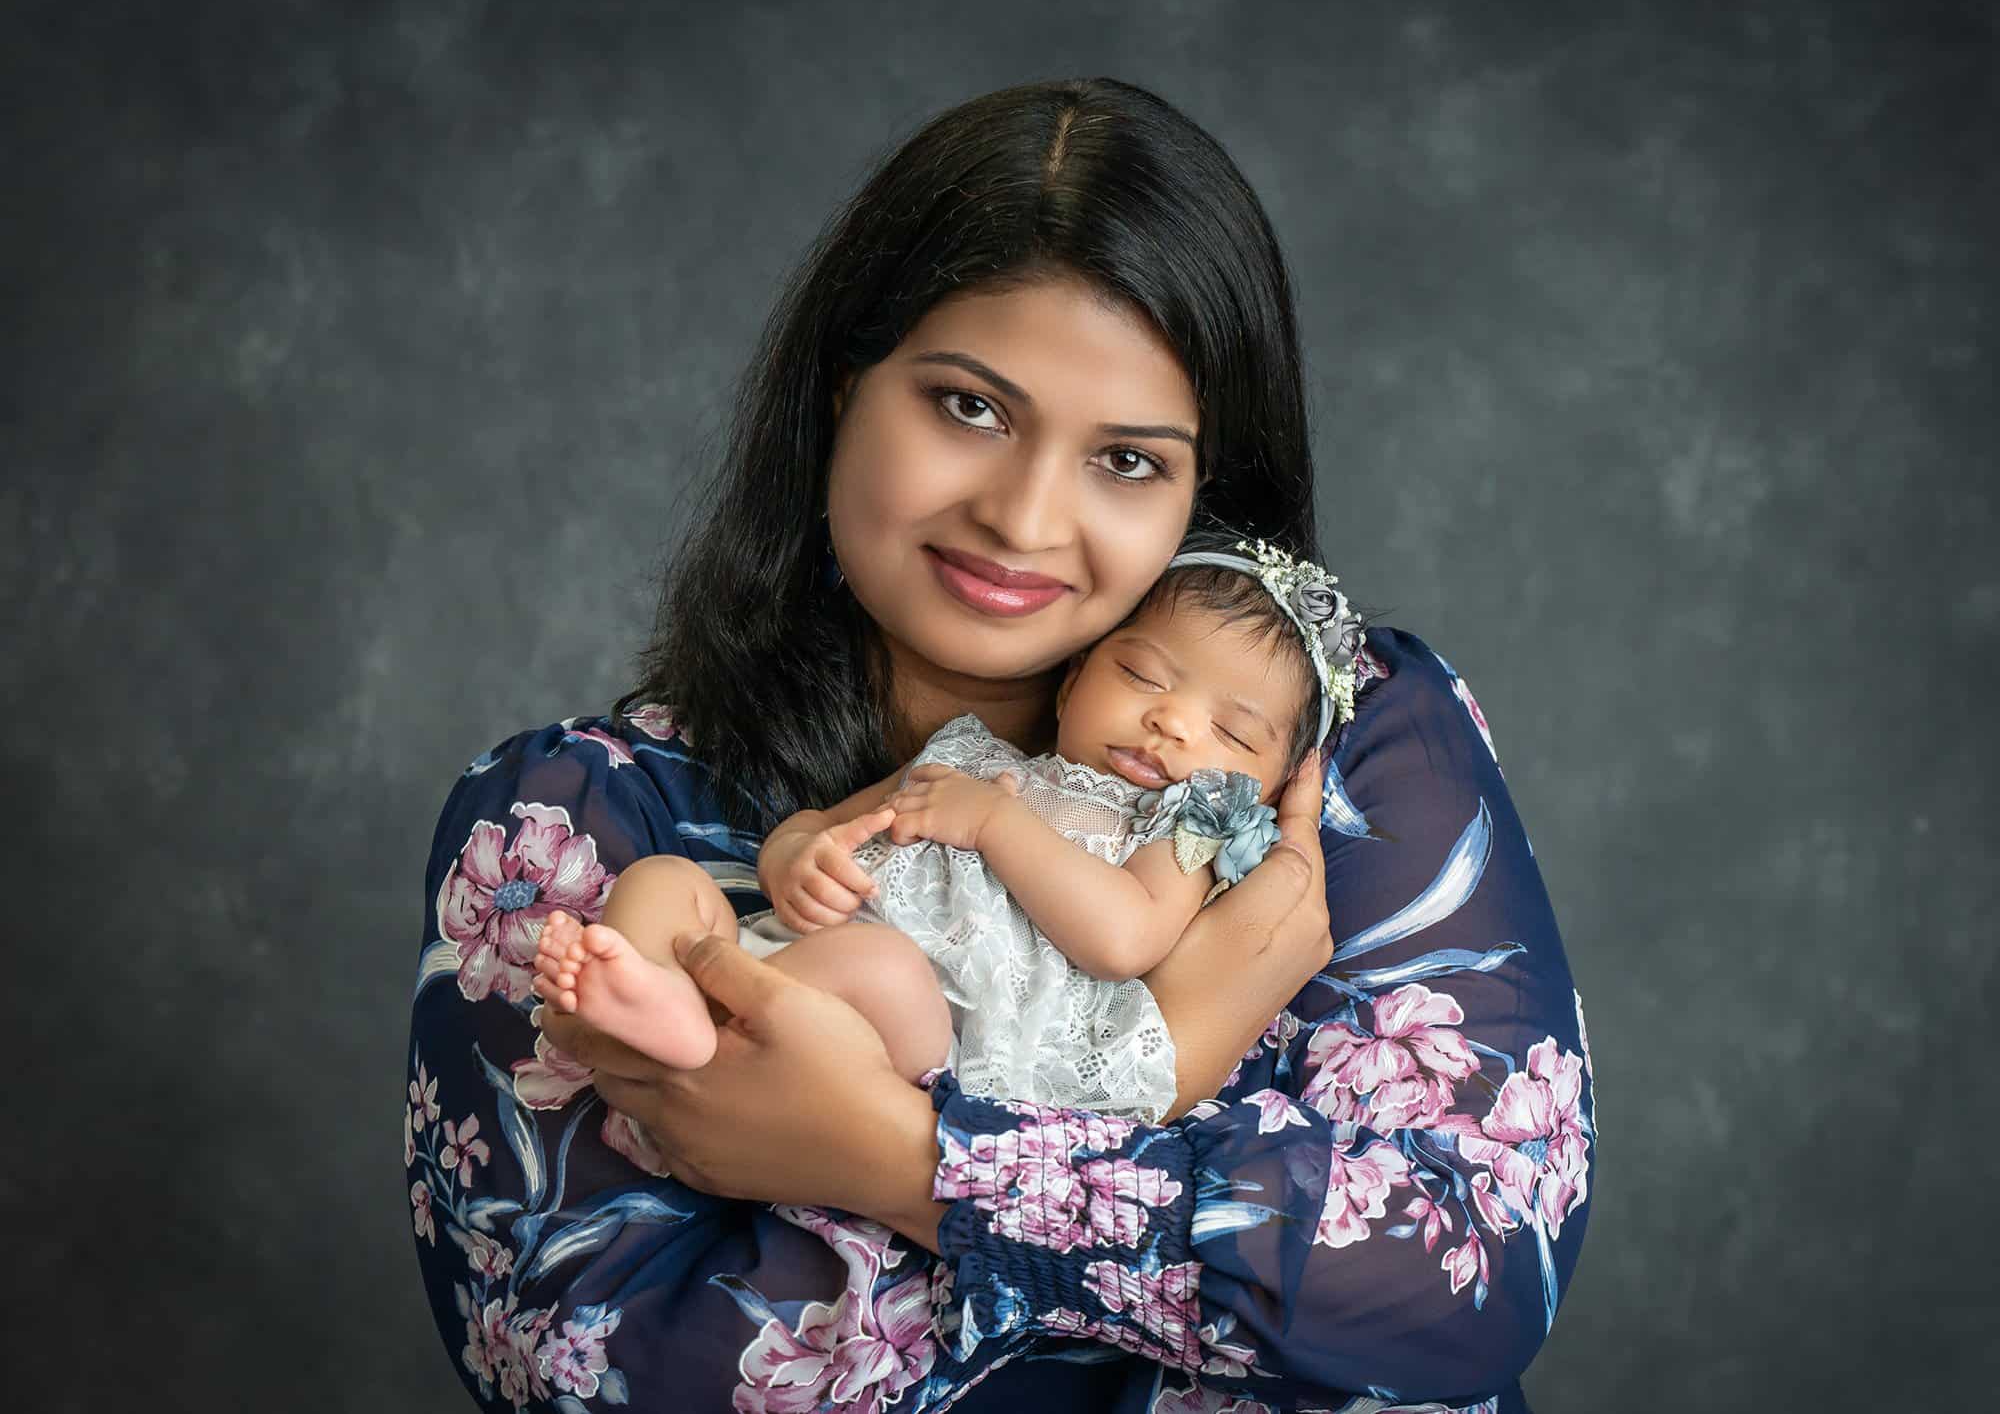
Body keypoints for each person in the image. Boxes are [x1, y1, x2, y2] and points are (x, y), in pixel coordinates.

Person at [406, 78, 1595, 1414]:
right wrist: (1198, 1203)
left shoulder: (1338, 743)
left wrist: (902, 1160)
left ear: (1209, 486)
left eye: (1130, 460)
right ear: (844, 383)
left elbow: (1465, 1277)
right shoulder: (572, 817)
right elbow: (596, 1368)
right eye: (971, 406)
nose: (1027, 518)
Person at [527, 536, 1356, 1124]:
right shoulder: (966, 753)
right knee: (664, 884)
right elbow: (822, 824)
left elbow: (1125, 934)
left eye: (1234, 733)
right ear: (1070, 684)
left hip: (910, 1030)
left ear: (1272, 785)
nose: (1170, 721)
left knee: (882, 966)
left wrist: (997, 824)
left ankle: (687, 1030)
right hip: (786, 953)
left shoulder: (1183, 823)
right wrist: (794, 862)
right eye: (1140, 674)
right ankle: (654, 1008)